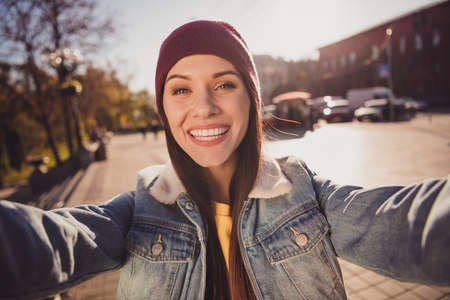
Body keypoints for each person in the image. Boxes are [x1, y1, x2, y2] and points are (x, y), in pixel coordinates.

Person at [0, 20, 449, 300]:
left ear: (251, 100)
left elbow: (412, 221)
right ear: (164, 109)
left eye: (224, 84)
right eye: (180, 89)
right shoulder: (139, 209)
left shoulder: (304, 193)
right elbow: (53, 241)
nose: (204, 108)